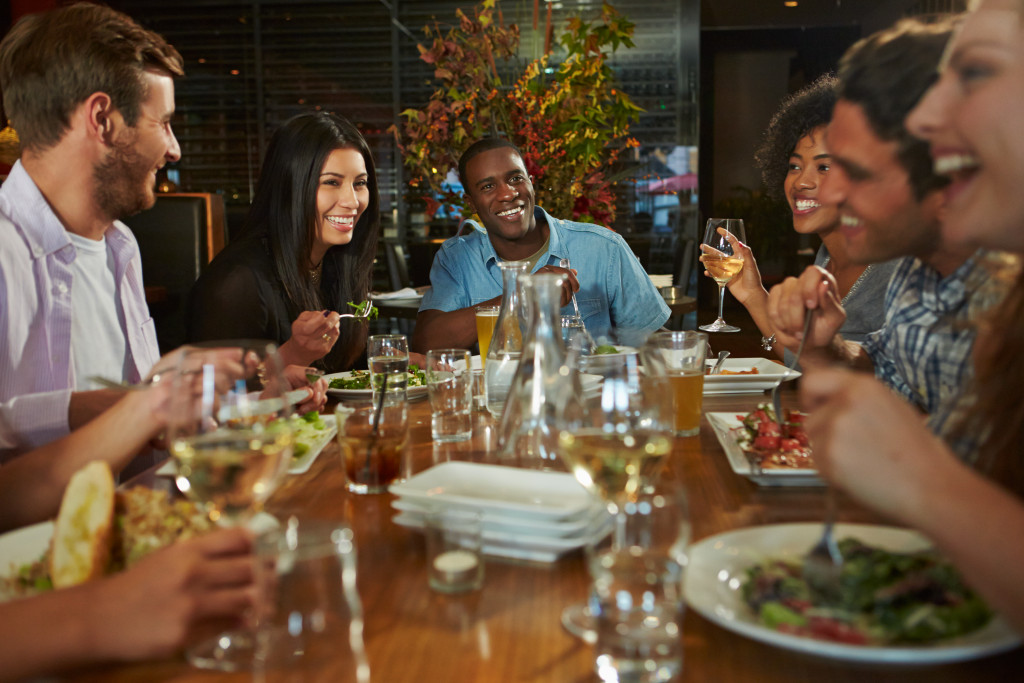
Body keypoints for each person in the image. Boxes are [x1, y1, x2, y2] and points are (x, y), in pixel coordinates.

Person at [800, 0, 1024, 633]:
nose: (934, 118)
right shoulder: (923, 275)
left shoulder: (990, 287)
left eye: (976, 73)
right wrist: (826, 353)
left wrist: (923, 482)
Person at [764, 17, 1016, 455]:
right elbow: (890, 375)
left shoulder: (1001, 297)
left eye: (857, 171)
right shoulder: (916, 274)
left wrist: (912, 479)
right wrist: (830, 349)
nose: (834, 192)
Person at [0, 2, 182, 458]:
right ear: (102, 119)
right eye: (163, 123)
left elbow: (144, 430)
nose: (174, 149)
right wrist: (90, 410)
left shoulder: (122, 246)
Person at [702, 74, 898, 360]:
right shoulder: (826, 259)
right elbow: (808, 359)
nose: (801, 182)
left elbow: (898, 371)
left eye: (825, 168)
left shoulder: (897, 266)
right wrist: (753, 294)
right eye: (794, 166)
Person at [412, 137, 670, 353]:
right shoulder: (456, 258)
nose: (508, 194)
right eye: (488, 186)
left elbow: (653, 340)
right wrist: (522, 295)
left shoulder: (603, 249)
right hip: (497, 410)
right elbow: (426, 343)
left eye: (515, 179)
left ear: (531, 182)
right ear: (471, 202)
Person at [187, 112, 380, 373]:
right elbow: (215, 397)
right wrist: (295, 353)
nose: (353, 201)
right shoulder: (236, 282)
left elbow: (343, 368)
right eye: (331, 182)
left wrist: (406, 359)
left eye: (360, 183)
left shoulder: (336, 263)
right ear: (289, 186)